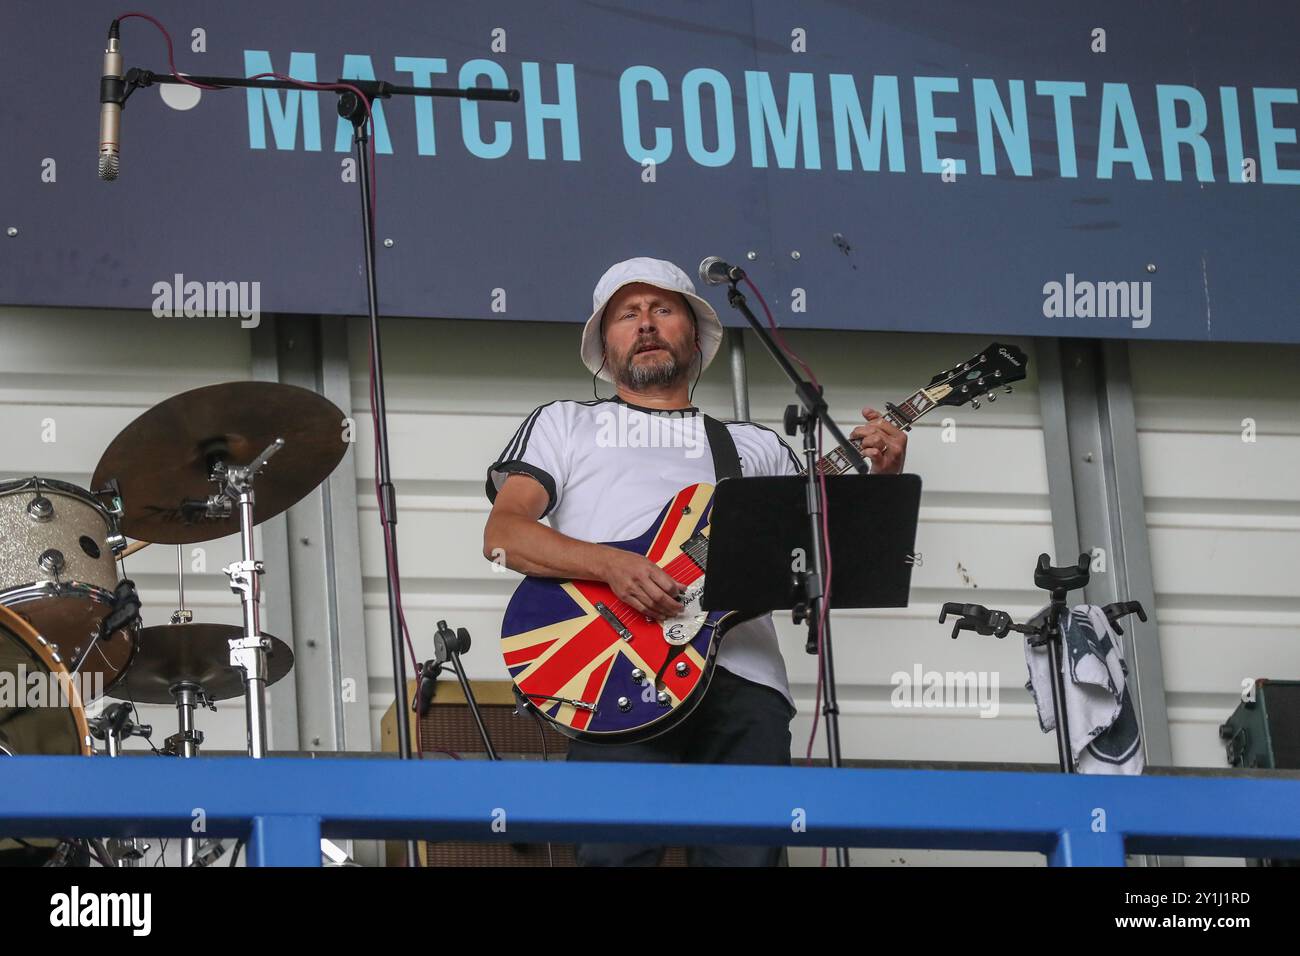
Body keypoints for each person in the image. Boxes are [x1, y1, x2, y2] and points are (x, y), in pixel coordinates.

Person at [483, 257, 907, 866]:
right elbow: (504, 535)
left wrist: (879, 483)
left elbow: (825, 556)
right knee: (614, 859)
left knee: (747, 859)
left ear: (695, 335)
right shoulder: (566, 424)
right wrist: (611, 565)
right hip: (613, 675)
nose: (646, 324)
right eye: (628, 314)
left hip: (744, 679)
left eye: (663, 309)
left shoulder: (756, 446)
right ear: (606, 344)